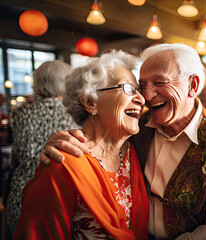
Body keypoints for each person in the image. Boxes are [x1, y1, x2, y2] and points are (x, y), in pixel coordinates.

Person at [39, 43, 206, 239]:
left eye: (159, 82)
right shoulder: (137, 127)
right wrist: (58, 141)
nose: (145, 96)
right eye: (140, 86)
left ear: (192, 85)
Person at [14, 51, 149, 239]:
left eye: (139, 91)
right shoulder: (61, 165)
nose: (141, 100)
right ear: (90, 102)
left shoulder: (136, 149)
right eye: (128, 88)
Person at [5, 60, 79, 233]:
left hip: (22, 196)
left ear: (36, 83)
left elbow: (14, 159)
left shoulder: (19, 113)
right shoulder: (76, 112)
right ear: (68, 82)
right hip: (61, 197)